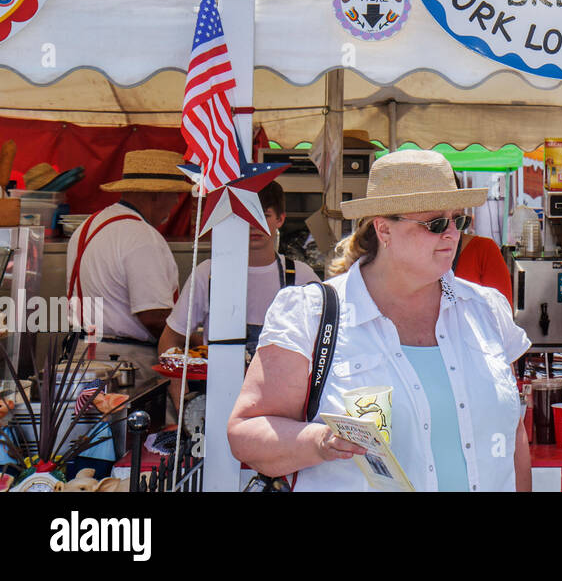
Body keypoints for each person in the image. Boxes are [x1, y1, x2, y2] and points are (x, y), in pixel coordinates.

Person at [228, 150, 532, 491]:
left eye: (458, 220)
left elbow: (512, 434)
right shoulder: (312, 314)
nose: (450, 233)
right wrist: (320, 441)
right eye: (435, 223)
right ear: (384, 230)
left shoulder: (486, 309)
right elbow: (246, 434)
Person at [66, 149, 189, 377]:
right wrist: (197, 340)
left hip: (82, 355)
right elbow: (152, 316)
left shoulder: (87, 226)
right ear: (156, 195)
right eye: (175, 195)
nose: (175, 203)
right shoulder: (142, 237)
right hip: (128, 362)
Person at [160, 181, 319, 357]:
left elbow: (327, 337)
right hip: (217, 384)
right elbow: (170, 339)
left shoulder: (301, 277)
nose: (254, 225)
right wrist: (177, 384)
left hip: (284, 384)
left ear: (280, 219)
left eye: (264, 215)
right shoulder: (208, 274)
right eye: (246, 216)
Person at [453, 220, 513, 305]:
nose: (450, 231)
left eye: (459, 220)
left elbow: (501, 312)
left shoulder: (484, 250)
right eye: (439, 222)